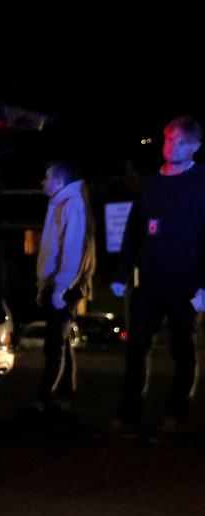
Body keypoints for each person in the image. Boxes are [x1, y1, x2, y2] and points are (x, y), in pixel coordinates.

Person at [111, 116, 205, 435]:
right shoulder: (152, 183)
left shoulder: (202, 182)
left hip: (187, 285)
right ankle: (129, 413)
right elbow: (134, 229)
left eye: (178, 141)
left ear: (194, 146)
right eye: (167, 139)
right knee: (136, 346)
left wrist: (204, 287)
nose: (170, 146)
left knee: (183, 349)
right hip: (150, 282)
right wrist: (122, 272)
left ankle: (176, 414)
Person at [34, 161, 96, 412]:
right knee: (62, 341)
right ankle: (65, 395)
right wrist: (45, 285)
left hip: (64, 285)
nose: (43, 182)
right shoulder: (61, 203)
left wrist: (59, 287)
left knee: (54, 343)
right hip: (59, 283)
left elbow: (72, 250)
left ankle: (44, 398)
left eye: (47, 178)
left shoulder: (72, 205)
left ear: (59, 182)